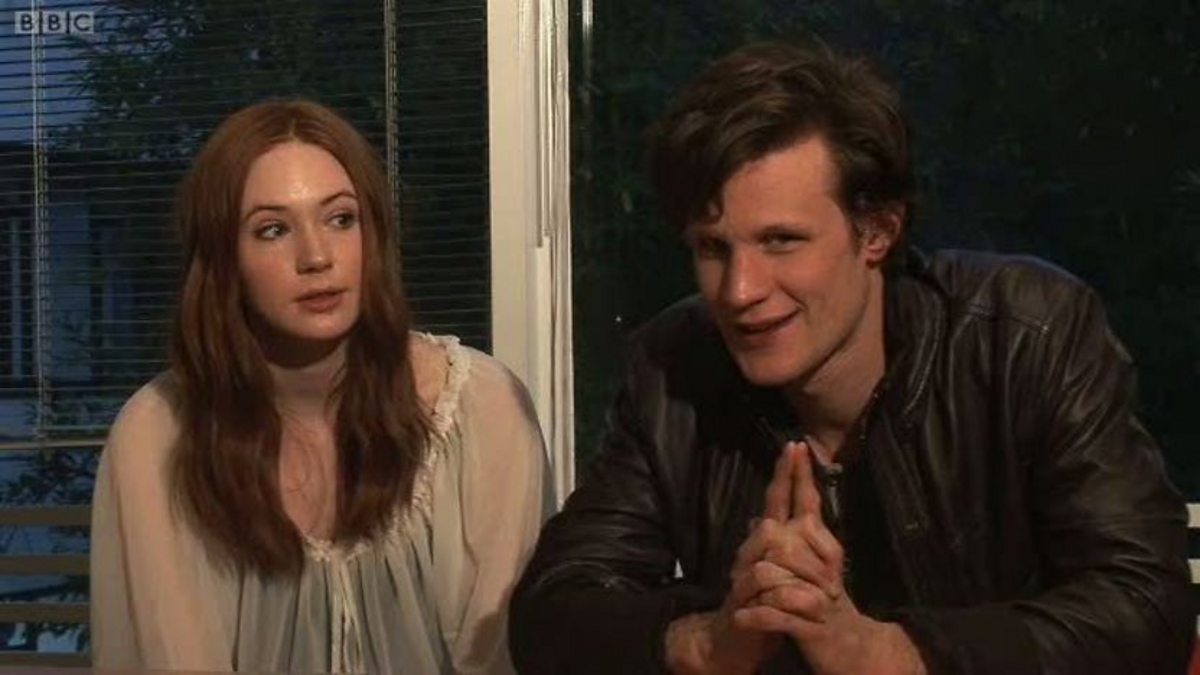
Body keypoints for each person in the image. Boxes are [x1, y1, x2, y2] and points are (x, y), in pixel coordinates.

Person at [509, 41, 1194, 674]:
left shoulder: (1024, 334)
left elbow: (1146, 607)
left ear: (877, 232)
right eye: (713, 248)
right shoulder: (673, 368)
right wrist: (710, 640)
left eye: (780, 241)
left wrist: (887, 653)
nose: (740, 291)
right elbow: (552, 613)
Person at [90, 99, 552, 674]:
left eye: (340, 219)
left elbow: (499, 656)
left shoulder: (483, 408)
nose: (316, 256)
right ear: (224, 260)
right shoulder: (157, 435)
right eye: (273, 229)